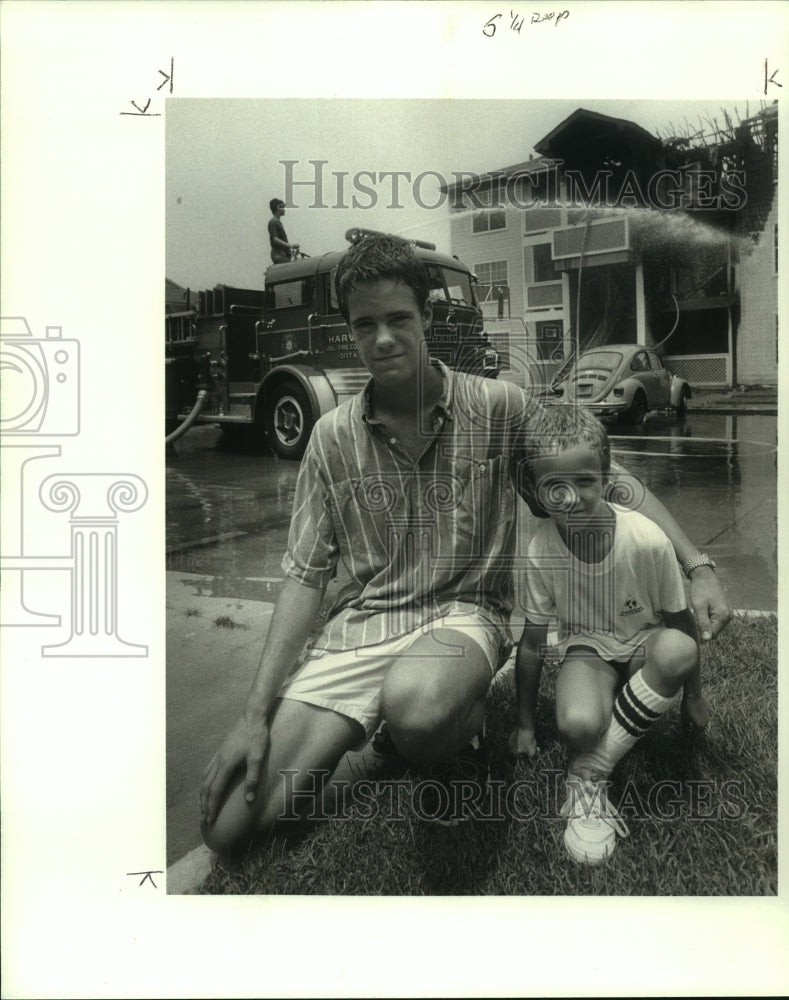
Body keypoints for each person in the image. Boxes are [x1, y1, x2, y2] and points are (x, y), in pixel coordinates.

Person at [200, 234, 729, 861]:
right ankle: (379, 753)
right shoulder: (329, 438)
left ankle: (456, 724)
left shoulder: (497, 406)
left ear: (425, 318)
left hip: (464, 618)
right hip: (364, 628)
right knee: (229, 826)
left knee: (417, 709)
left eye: (399, 318)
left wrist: (695, 564)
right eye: (364, 324)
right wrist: (254, 714)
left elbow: (604, 480)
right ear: (348, 331)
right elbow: (305, 577)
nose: (384, 339)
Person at [508, 404, 712, 865]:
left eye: (585, 482)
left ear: (606, 477)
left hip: (644, 645)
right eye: (553, 486)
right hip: (590, 650)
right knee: (578, 724)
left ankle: (589, 774)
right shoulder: (541, 549)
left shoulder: (646, 539)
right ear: (537, 492)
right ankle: (612, 723)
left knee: (678, 650)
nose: (571, 498)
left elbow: (681, 625)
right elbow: (533, 642)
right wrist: (523, 723)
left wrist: (694, 695)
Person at [268, 198, 299, 264]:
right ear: (278, 208)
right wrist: (290, 245)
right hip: (279, 254)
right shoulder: (274, 222)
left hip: (282, 253)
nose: (284, 209)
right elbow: (275, 239)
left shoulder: (277, 221)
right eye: (282, 207)